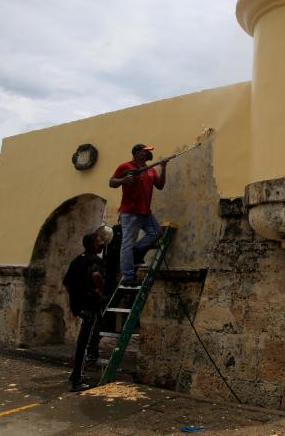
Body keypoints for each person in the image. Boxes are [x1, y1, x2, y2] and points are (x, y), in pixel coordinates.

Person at [109, 143, 168, 286]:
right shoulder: (125, 167)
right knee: (127, 244)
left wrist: (163, 168)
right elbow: (111, 182)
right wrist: (123, 180)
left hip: (145, 212)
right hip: (130, 213)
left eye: (148, 152)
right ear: (136, 153)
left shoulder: (151, 170)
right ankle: (128, 277)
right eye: (145, 151)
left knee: (156, 233)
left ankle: (136, 250)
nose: (147, 153)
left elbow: (160, 186)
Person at [63, 232, 106, 392]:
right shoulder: (96, 260)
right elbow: (96, 275)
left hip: (79, 306)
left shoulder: (77, 260)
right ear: (94, 245)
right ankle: (77, 380)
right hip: (90, 305)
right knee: (85, 344)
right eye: (99, 241)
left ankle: (75, 373)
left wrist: (76, 298)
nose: (101, 243)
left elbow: (67, 283)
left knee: (83, 342)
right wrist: (101, 292)